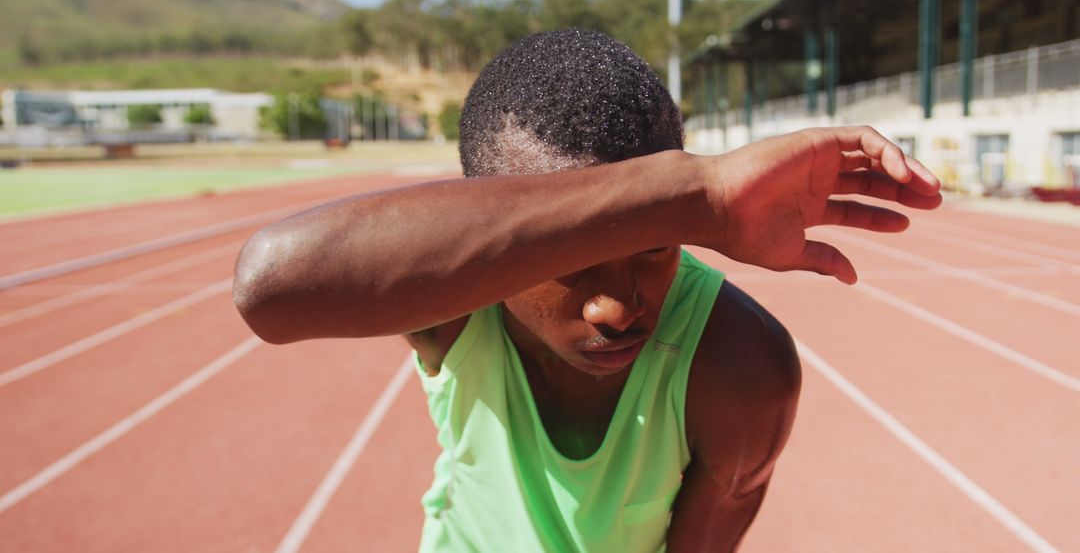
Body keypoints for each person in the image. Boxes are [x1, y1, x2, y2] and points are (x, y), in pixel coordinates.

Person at [233, 29, 941, 552]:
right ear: (500, 232)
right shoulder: (455, 299)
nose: (616, 308)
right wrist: (701, 190)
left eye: (656, 246)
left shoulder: (741, 366)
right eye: (574, 256)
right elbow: (270, 286)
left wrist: (681, 205)